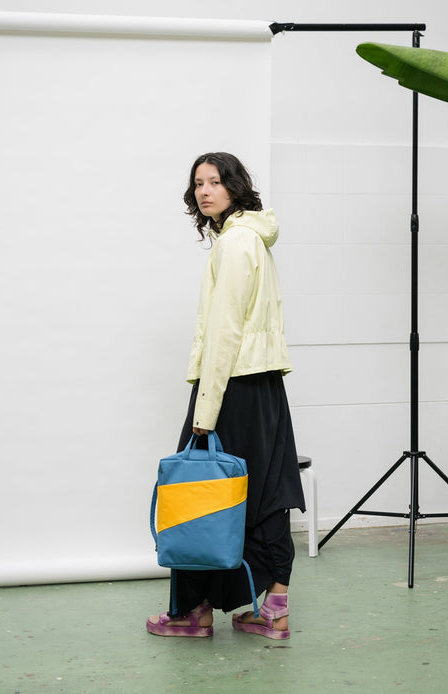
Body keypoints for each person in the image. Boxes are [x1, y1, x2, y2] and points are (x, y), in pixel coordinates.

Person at [146, 152, 305, 639]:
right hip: (262, 386)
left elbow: (224, 332)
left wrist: (206, 407)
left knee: (198, 494)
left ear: (235, 187)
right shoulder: (250, 238)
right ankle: (274, 607)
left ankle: (192, 611)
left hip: (231, 384)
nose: (204, 191)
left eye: (215, 181)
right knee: (265, 491)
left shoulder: (235, 243)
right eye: (198, 183)